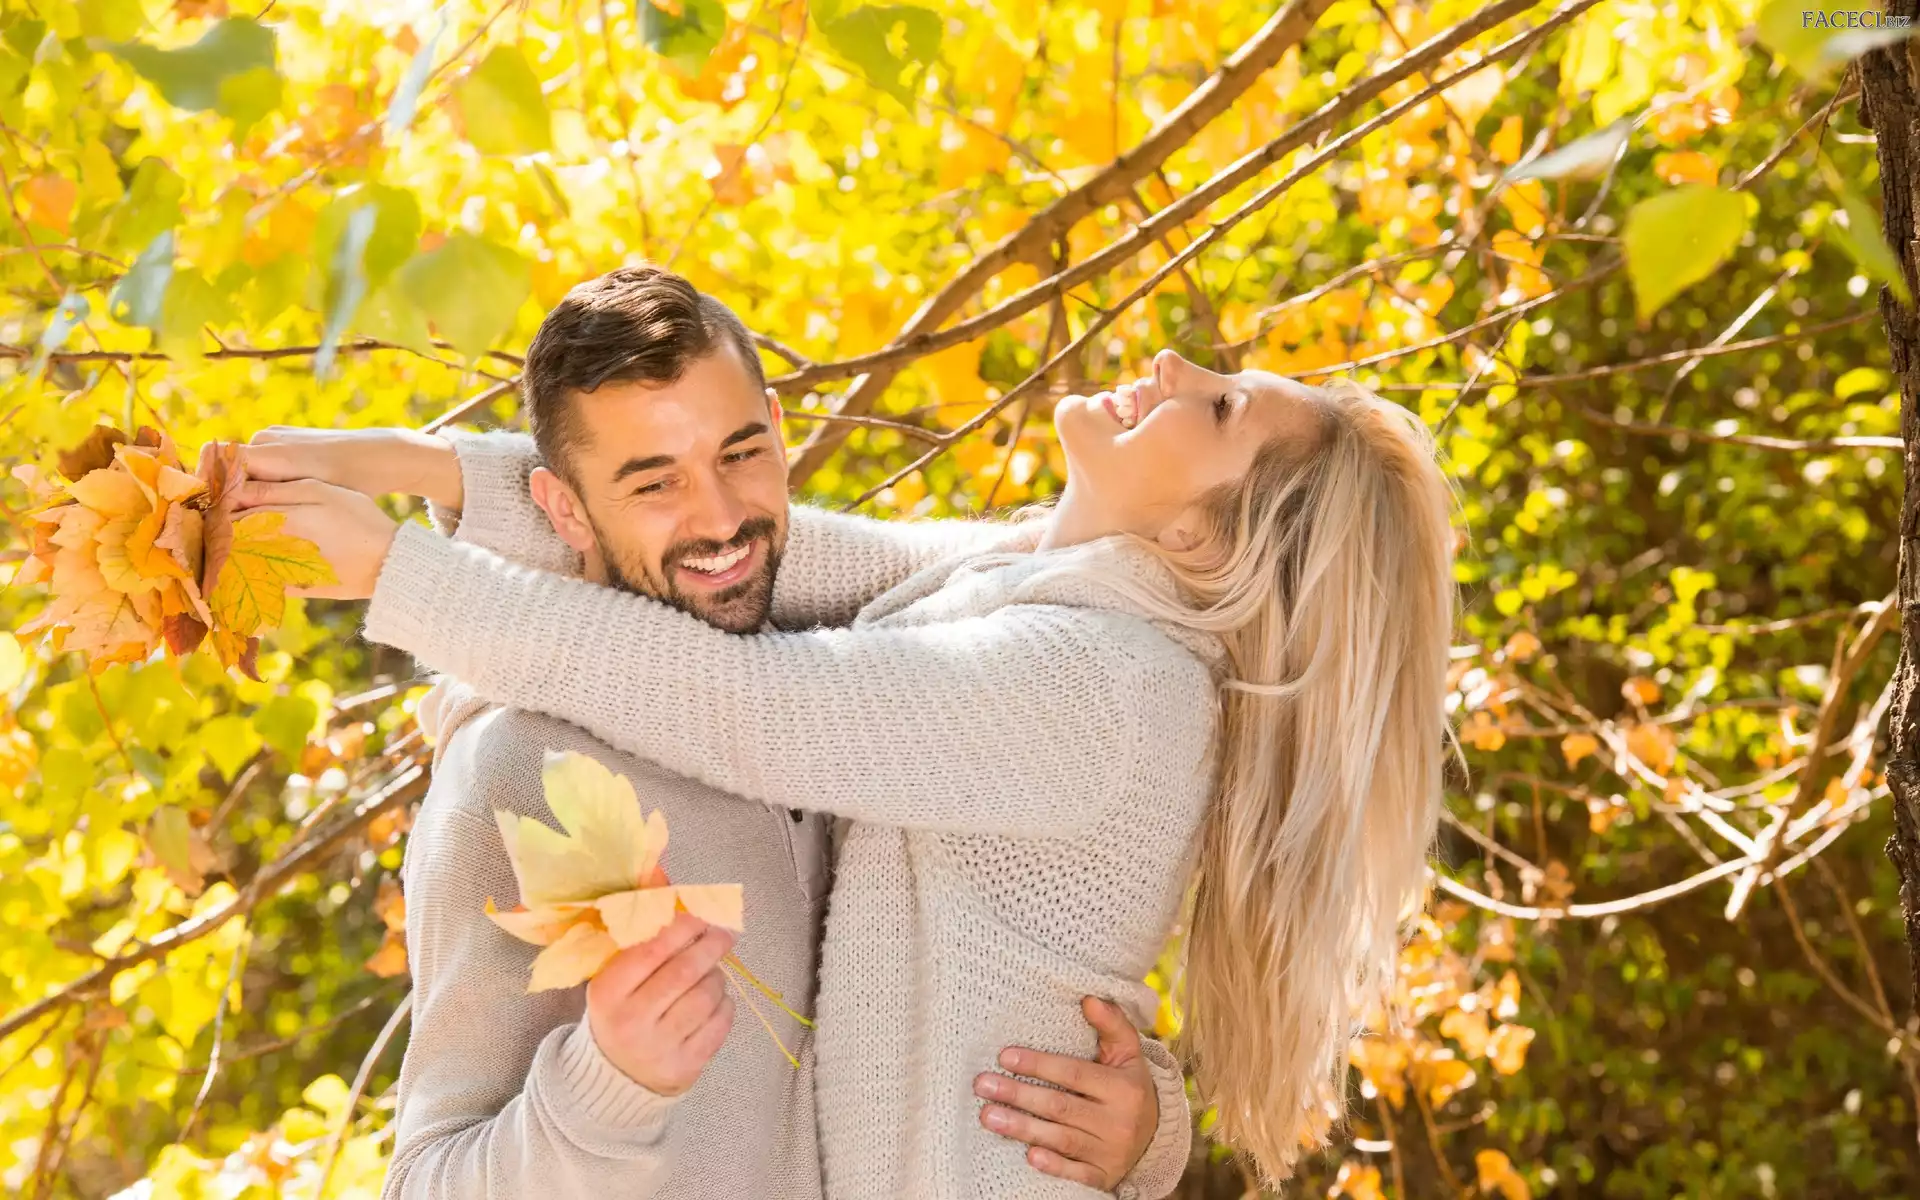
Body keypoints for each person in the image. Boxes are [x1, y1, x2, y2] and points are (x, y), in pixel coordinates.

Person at [241, 263, 1457, 1192]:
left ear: (1203, 531)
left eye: (1223, 407)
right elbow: (753, 546)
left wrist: (392, 573)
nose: (1178, 365)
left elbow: (751, 704)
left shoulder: (1106, 684)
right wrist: (409, 469)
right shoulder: (1033, 583)